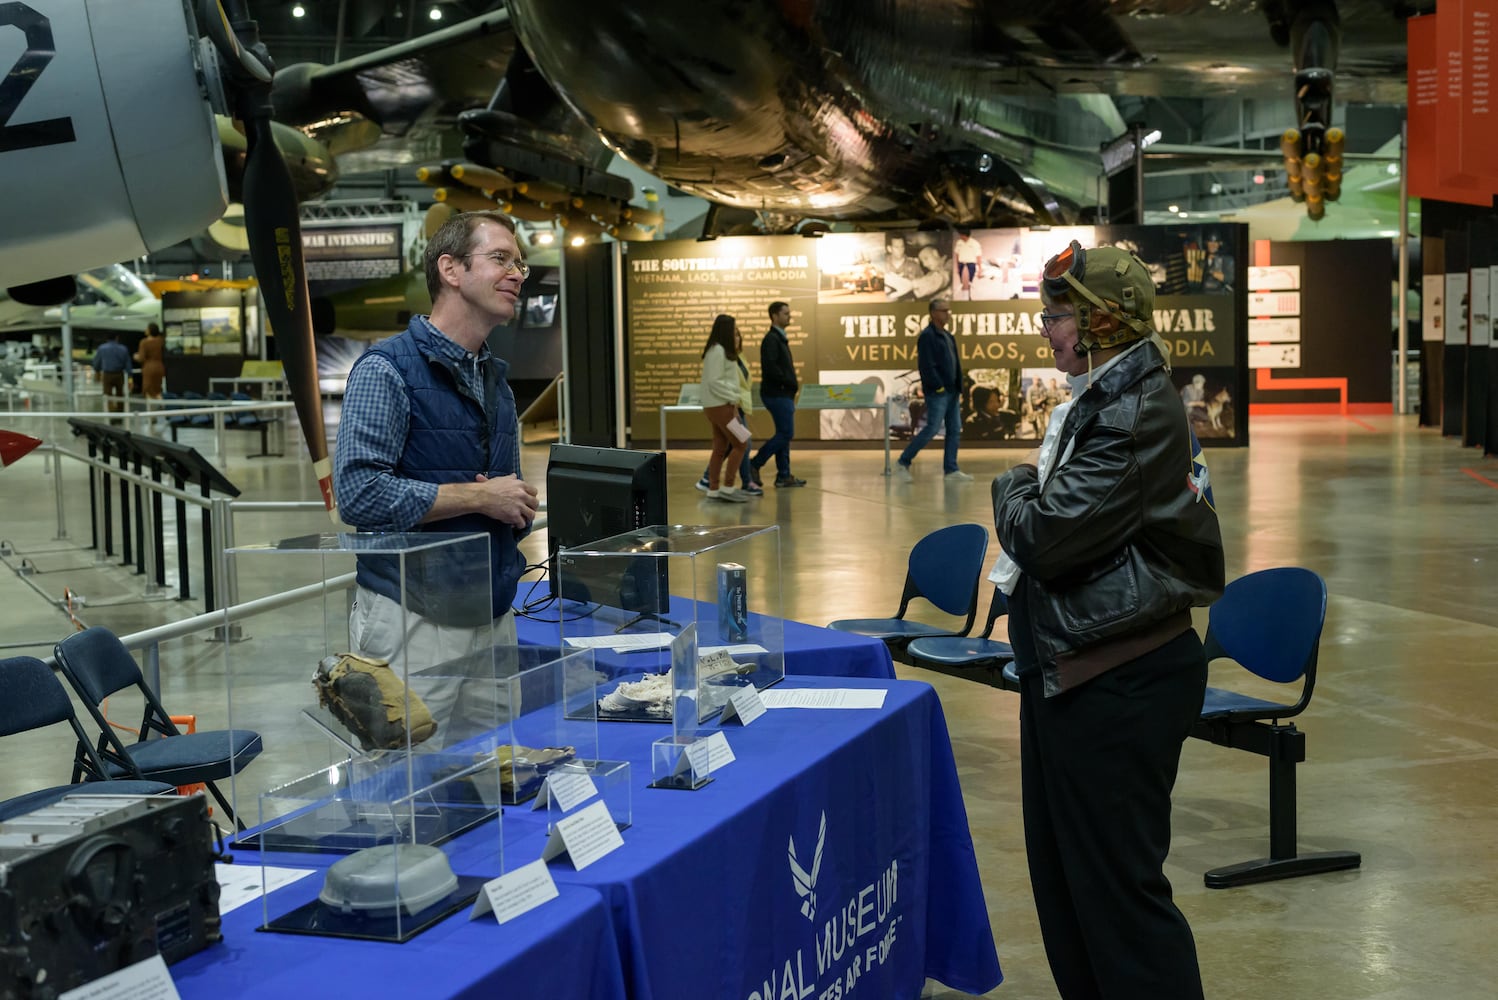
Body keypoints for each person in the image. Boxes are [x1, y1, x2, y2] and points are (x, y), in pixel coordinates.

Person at [991, 240, 1224, 1000]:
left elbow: (1044, 535)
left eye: (1058, 316)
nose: (1049, 331)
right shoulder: (1102, 396)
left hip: (1117, 684)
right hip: (1078, 673)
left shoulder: (1126, 410)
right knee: (1069, 891)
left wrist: (1012, 483)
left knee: (1118, 901)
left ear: (1103, 323)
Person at [333, 210, 539, 735]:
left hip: (491, 615)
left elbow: (501, 494)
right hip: (412, 617)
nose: (517, 273)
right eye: (501, 258)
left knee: (493, 781)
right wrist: (478, 499)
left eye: (520, 263)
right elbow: (358, 494)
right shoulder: (387, 372)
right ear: (451, 270)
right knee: (402, 788)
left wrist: (512, 508)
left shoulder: (497, 382)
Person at [894, 299, 971, 482]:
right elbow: (926, 365)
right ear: (933, 313)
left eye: (948, 310)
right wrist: (938, 386)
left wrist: (958, 386)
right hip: (939, 392)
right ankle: (903, 461)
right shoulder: (928, 336)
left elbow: (955, 363)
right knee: (932, 428)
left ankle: (951, 470)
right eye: (944, 311)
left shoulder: (947, 335)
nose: (948, 314)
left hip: (952, 391)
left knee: (953, 429)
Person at [697, 324, 762, 495]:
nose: (737, 338)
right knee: (742, 442)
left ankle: (713, 488)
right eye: (734, 334)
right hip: (724, 407)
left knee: (720, 446)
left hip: (722, 406)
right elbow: (716, 381)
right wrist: (733, 398)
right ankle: (728, 487)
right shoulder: (719, 351)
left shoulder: (718, 351)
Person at [750, 301, 806, 487]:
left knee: (784, 433)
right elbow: (772, 368)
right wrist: (788, 383)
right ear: (775, 316)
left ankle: (784, 475)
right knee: (785, 433)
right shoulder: (772, 340)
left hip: (782, 393)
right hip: (778, 394)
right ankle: (755, 463)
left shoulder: (779, 338)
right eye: (785, 313)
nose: (789, 316)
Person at [91, 333, 132, 413]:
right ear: (117, 338)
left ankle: (111, 413)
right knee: (120, 394)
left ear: (107, 339)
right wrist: (130, 377)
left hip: (107, 375)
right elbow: (128, 364)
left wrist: (97, 371)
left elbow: (97, 362)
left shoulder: (102, 348)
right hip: (119, 374)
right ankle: (120, 414)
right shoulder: (123, 348)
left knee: (107, 395)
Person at [134, 322, 166, 399]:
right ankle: (162, 407)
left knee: (148, 390)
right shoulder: (161, 340)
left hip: (149, 368)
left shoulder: (144, 342)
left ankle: (150, 409)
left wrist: (135, 356)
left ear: (150, 330)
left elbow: (141, 358)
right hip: (160, 366)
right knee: (158, 390)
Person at [953, 227, 983, 299]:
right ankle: (964, 297)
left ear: (964, 235)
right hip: (961, 264)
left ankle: (968, 297)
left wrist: (980, 269)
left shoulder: (974, 243)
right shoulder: (959, 243)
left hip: (971, 264)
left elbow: (978, 256)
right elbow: (957, 254)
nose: (960, 236)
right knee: (962, 282)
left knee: (969, 282)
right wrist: (957, 267)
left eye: (961, 235)